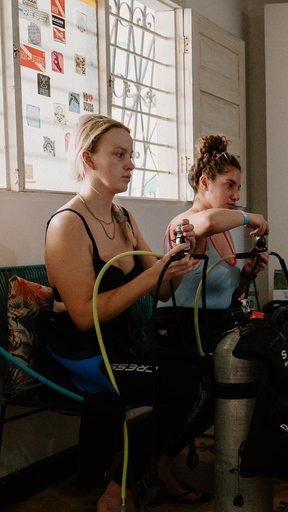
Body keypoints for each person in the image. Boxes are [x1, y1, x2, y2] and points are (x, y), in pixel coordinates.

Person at [43, 114, 212, 511]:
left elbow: (165, 291)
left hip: (120, 345)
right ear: (88, 159)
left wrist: (184, 255)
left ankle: (150, 471)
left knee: (207, 375)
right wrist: (154, 272)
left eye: (132, 155)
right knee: (184, 386)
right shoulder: (67, 224)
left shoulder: (122, 217)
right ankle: (119, 489)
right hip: (81, 352)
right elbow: (84, 316)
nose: (130, 164)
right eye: (119, 155)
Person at [154, 134, 269, 353]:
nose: (236, 195)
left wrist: (246, 274)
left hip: (217, 330)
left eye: (238, 188)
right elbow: (207, 221)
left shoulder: (223, 231)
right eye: (229, 185)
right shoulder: (183, 222)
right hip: (183, 335)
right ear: (205, 182)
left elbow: (230, 296)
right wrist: (248, 217)